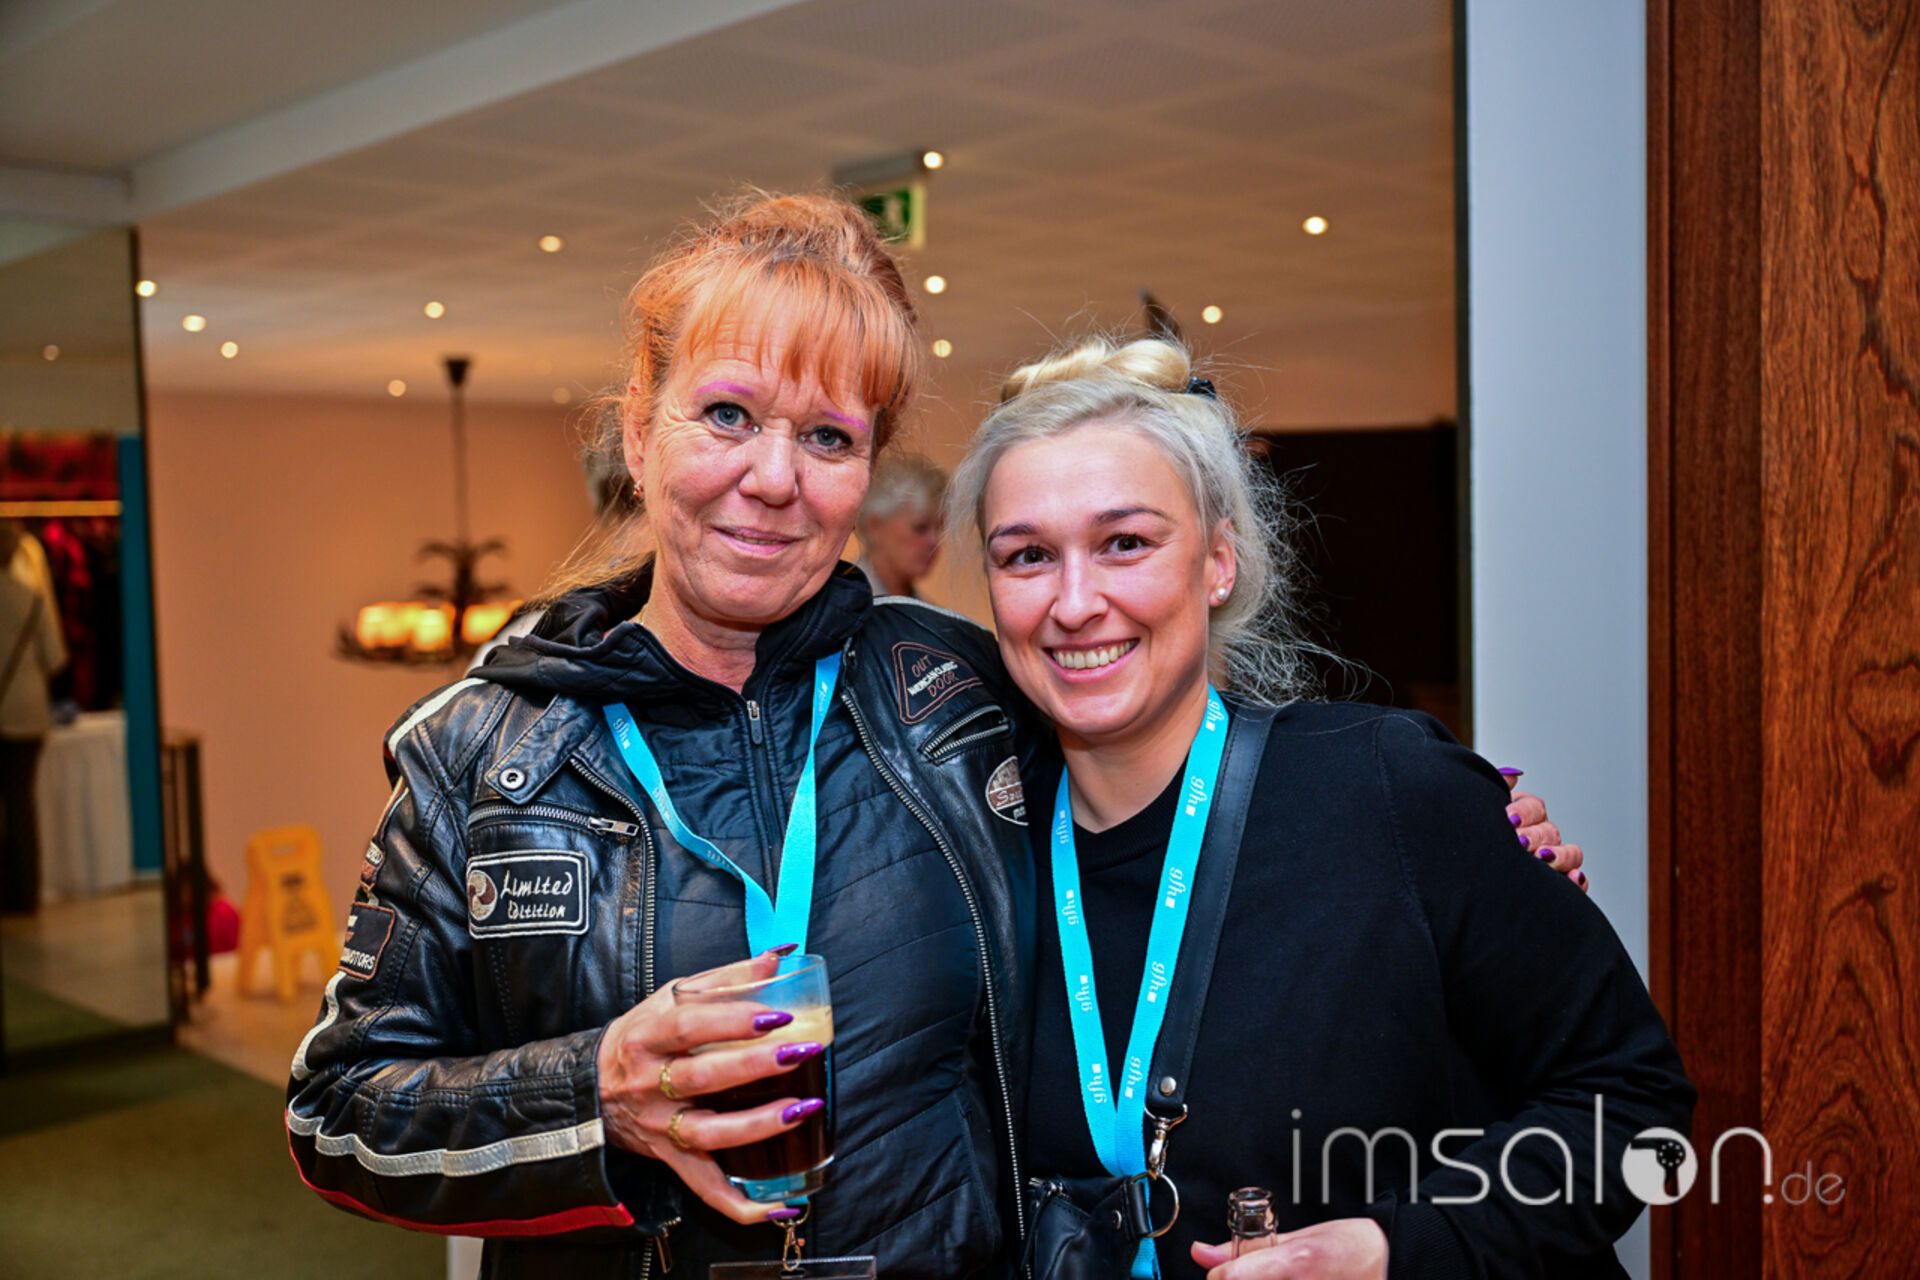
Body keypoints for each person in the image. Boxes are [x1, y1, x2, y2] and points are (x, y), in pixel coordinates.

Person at [287, 194, 1580, 1280]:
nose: (774, 478)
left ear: (868, 469)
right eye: (728, 414)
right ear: (639, 427)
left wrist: (1467, 843)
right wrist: (594, 1097)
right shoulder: (479, 753)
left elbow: (1186, 798)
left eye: (828, 437)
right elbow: (337, 1112)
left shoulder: (961, 695)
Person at [945, 336, 1692, 1279]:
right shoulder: (973, 859)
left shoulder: (1387, 790)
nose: (1075, 601)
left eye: (1125, 543)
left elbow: (1636, 1107)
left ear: (1218, 562)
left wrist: (1390, 1250)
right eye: (1026, 557)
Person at [0, 520, 67, 915]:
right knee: (22, 801)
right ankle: (27, 891)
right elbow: (55, 657)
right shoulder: (31, 599)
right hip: (28, 711)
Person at [854, 451, 947, 598]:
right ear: (875, 526)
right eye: (920, 528)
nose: (934, 541)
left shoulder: (925, 610)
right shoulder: (839, 603)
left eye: (940, 528)